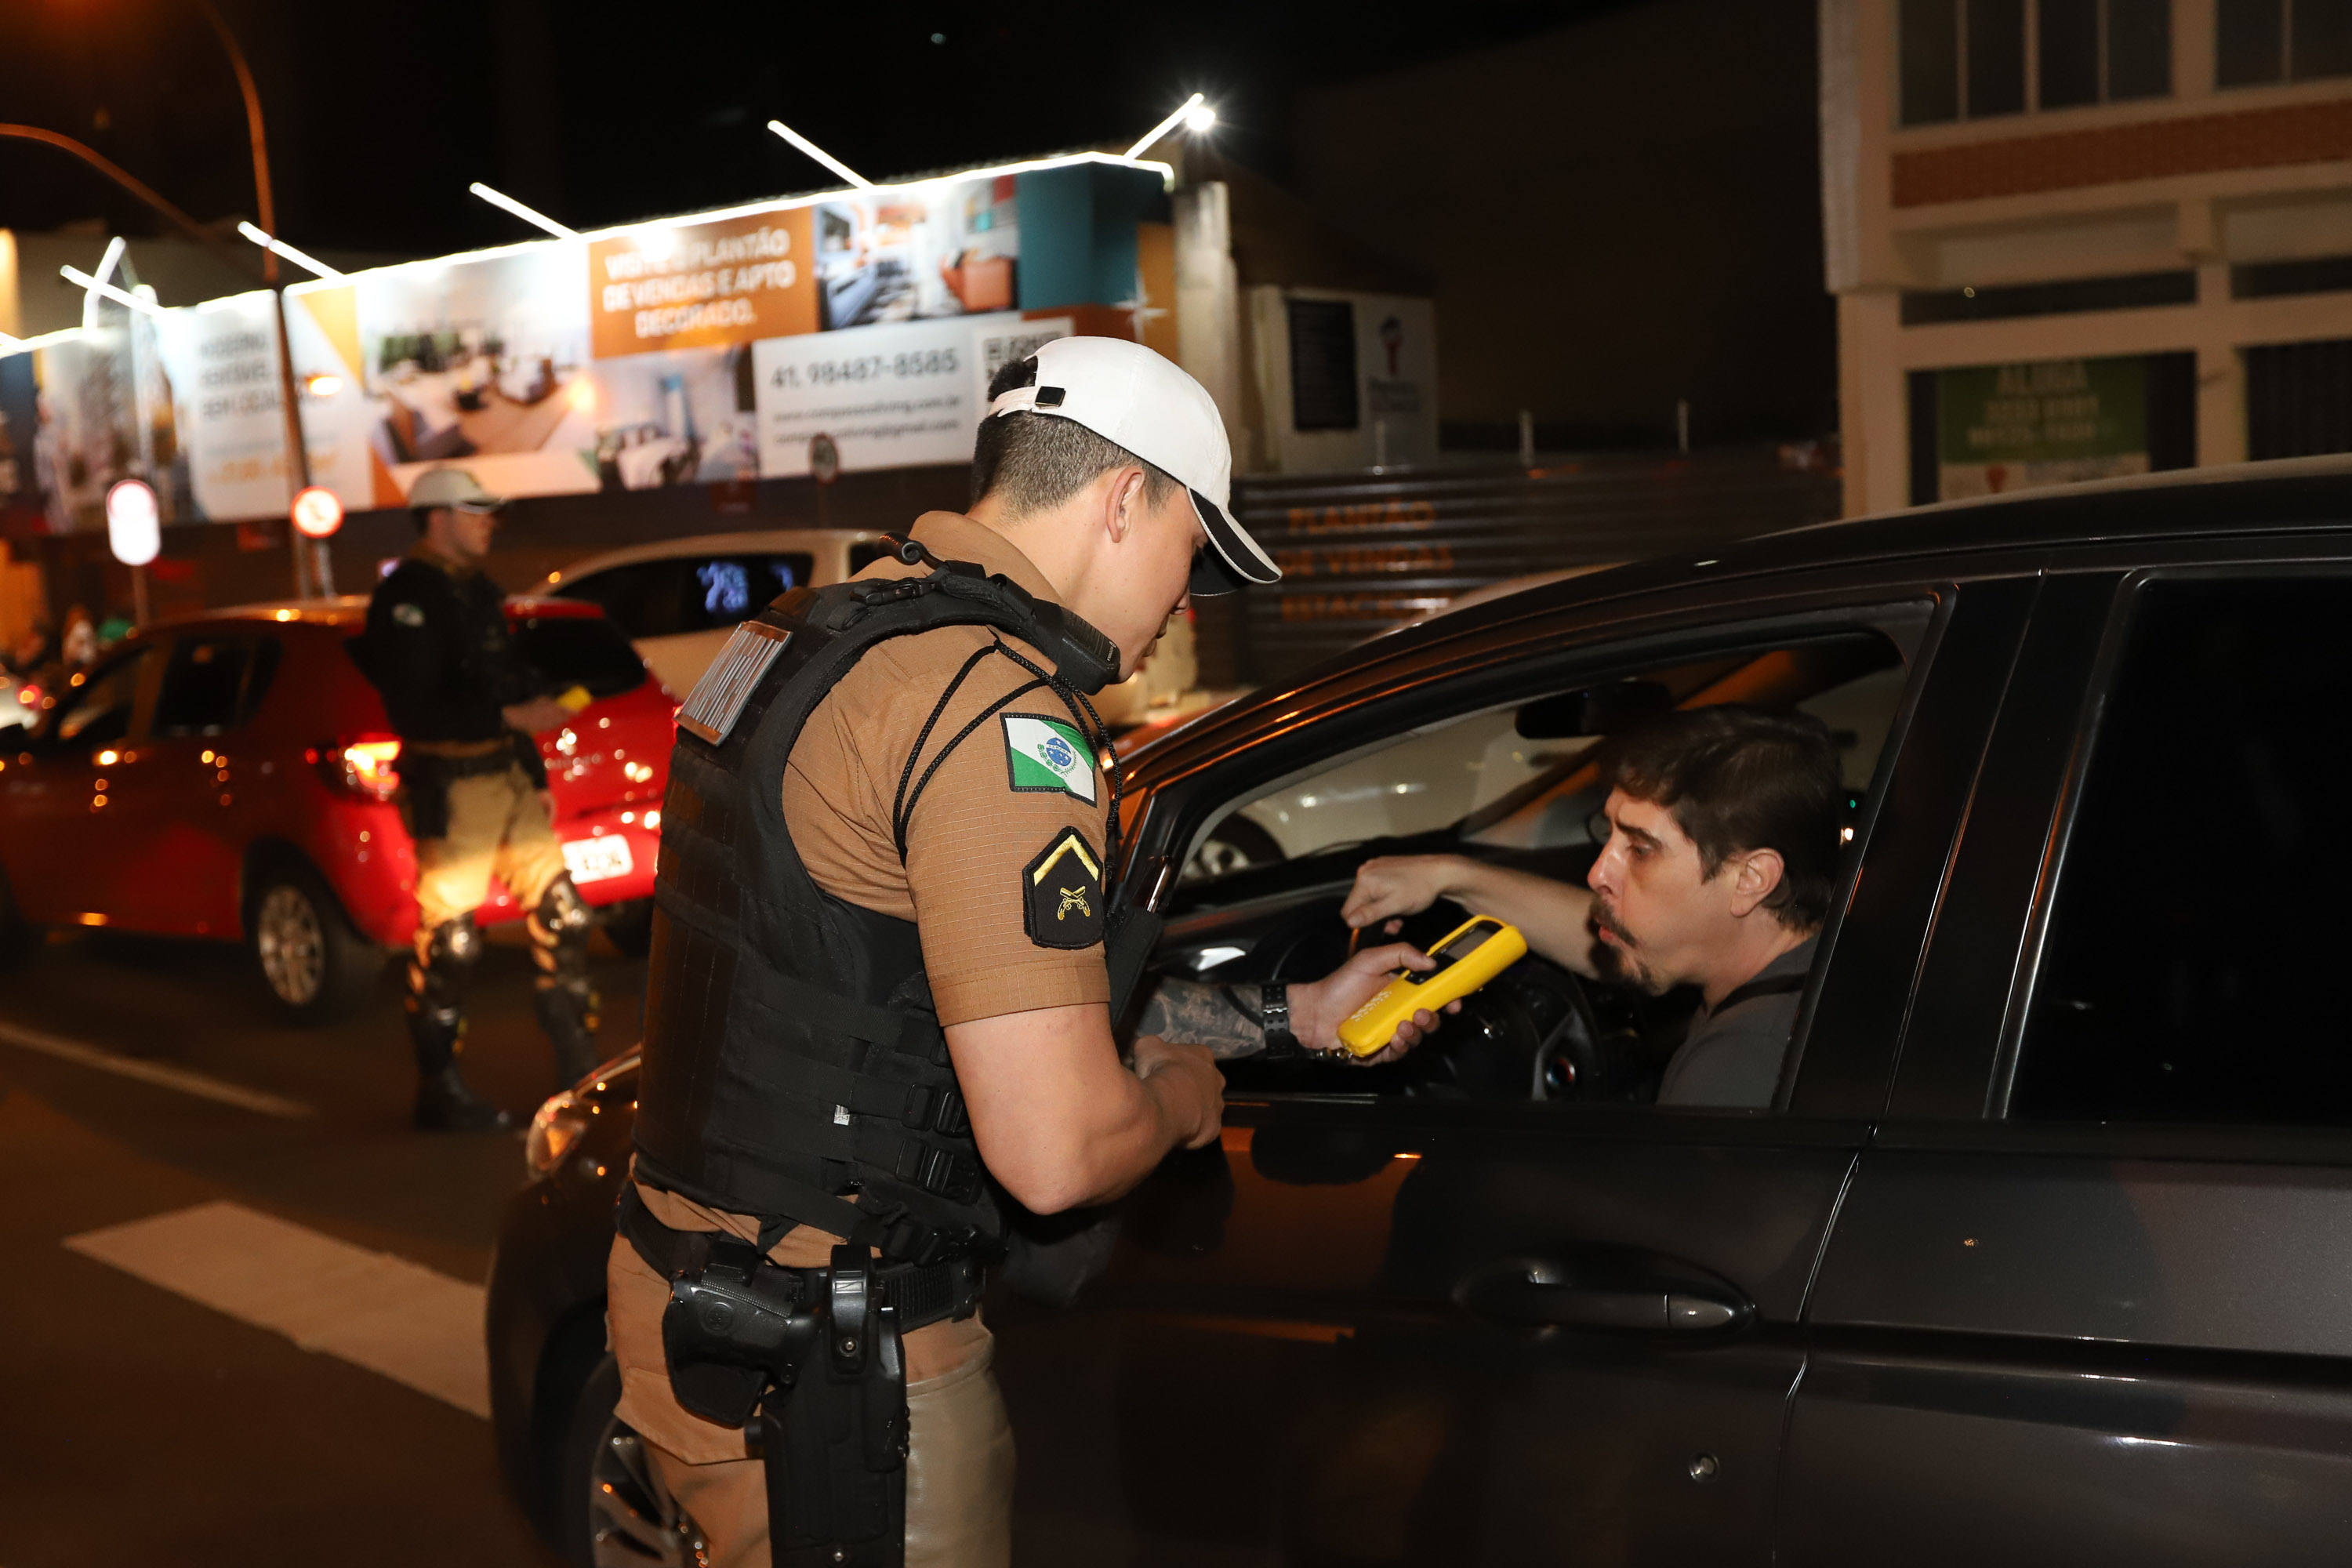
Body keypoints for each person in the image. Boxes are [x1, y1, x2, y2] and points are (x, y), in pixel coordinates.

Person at [609, 336, 1451, 1568]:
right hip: (840, 1362)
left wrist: (1289, 1015)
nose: (1183, 601)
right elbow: (1055, 1155)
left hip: (682, 1294)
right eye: (1192, 554)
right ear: (1124, 499)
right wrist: (1178, 1101)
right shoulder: (994, 712)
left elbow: (884, 973)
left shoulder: (802, 636)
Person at [1341, 704, 1844, 1108]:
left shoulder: (1742, 1068)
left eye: (1640, 849)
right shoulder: (1823, 965)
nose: (1598, 873)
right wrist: (1454, 877)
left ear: (1751, 878)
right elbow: (1613, 943)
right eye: (1609, 835)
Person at [351, 466, 593, 1132]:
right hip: (455, 785)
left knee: (564, 916)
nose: (490, 520)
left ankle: (581, 1074)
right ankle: (440, 1092)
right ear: (436, 517)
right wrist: (511, 723)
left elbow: (508, 684)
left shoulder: (476, 592)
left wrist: (534, 773)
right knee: (452, 942)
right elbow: (415, 709)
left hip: (508, 781)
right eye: (476, 509)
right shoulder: (407, 599)